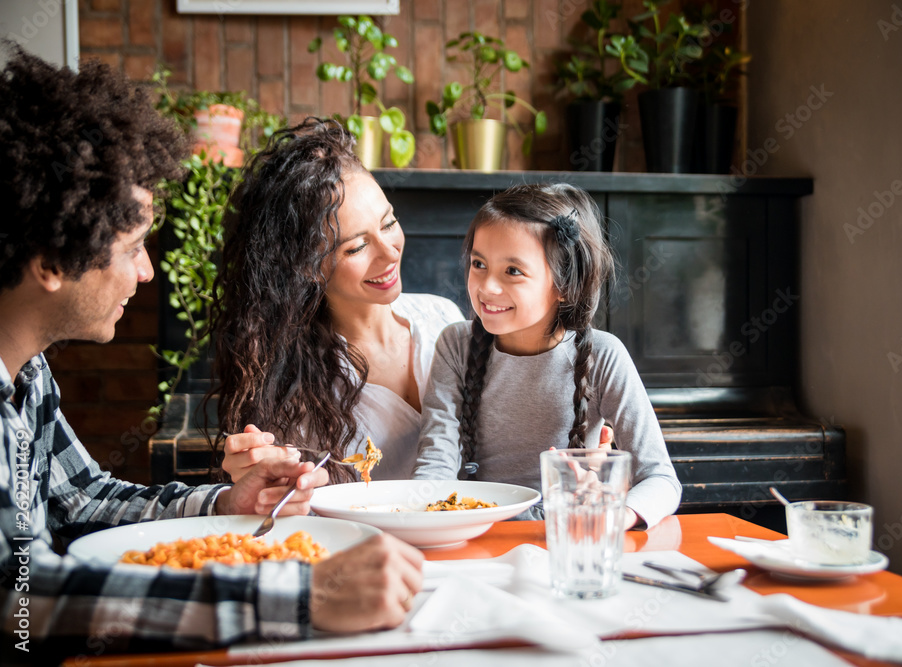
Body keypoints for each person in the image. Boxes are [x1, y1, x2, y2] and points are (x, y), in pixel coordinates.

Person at [0, 48, 422, 664]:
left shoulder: (26, 373)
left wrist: (225, 503)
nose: (146, 273)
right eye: (135, 248)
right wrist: (299, 595)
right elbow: (21, 601)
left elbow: (82, 502)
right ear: (50, 264)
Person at [412, 183, 682, 529]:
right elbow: (436, 463)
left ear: (565, 286)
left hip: (561, 534)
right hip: (471, 528)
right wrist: (417, 519)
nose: (487, 286)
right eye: (479, 263)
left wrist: (613, 514)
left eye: (513, 271)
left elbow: (660, 478)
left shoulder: (603, 355)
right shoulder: (455, 344)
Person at [213, 119, 465, 484]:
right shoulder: (298, 383)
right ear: (308, 266)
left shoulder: (443, 316)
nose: (388, 253)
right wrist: (264, 476)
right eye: (357, 246)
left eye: (389, 222)